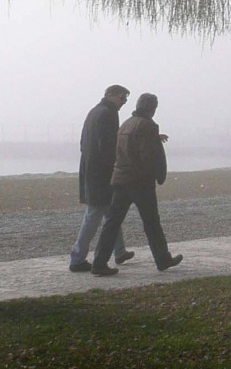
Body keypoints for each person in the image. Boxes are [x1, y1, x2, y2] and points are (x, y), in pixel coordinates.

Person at [91, 93, 181, 275]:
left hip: (120, 180)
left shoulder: (126, 123)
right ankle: (162, 259)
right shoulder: (148, 126)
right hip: (140, 182)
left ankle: (99, 262)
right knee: (152, 223)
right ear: (152, 108)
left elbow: (125, 149)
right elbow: (147, 155)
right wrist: (155, 175)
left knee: (112, 223)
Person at [69, 84, 136, 273]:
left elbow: (84, 143)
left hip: (90, 169)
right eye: (121, 97)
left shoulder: (94, 112)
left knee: (110, 213)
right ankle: (77, 258)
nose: (123, 102)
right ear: (109, 95)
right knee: (94, 215)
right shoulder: (108, 113)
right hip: (101, 174)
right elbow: (108, 147)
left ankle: (120, 251)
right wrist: (116, 168)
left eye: (125, 99)